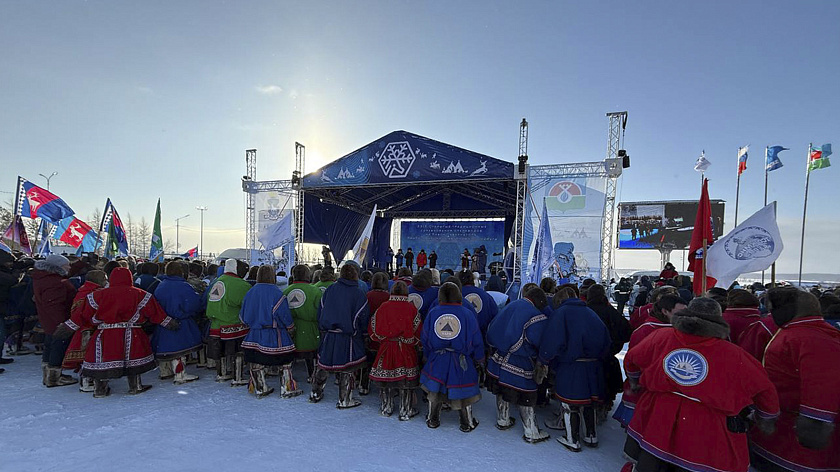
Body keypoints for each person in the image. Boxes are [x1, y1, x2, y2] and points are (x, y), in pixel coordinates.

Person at [623, 297, 780, 472]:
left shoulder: (661, 336)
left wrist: (635, 381)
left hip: (657, 415)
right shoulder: (734, 354)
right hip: (706, 427)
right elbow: (765, 389)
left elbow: (632, 359)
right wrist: (765, 417)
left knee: (651, 463)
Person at [749, 287, 840, 472]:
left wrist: (814, 426)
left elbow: (822, 386)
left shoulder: (811, 339)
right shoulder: (798, 332)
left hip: (794, 444)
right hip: (777, 429)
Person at [53, 267, 179, 397]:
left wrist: (67, 328)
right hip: (132, 332)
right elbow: (155, 313)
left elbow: (81, 315)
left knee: (102, 360)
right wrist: (170, 323)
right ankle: (135, 386)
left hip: (105, 333)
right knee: (132, 360)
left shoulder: (97, 295)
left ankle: (99, 390)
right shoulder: (141, 294)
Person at [538, 289, 612, 452]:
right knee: (589, 403)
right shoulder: (590, 313)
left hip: (571, 365)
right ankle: (591, 436)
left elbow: (552, 340)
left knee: (569, 404)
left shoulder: (561, 313)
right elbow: (606, 339)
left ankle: (572, 439)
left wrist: (544, 359)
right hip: (593, 365)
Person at [486, 286, 550, 443]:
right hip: (520, 361)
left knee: (501, 389)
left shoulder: (512, 305)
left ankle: (503, 419)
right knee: (526, 396)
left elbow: (493, 328)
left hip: (499, 357)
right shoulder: (536, 316)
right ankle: (531, 431)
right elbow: (537, 340)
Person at [420, 282, 484, 432]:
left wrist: (428, 356)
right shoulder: (467, 313)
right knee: (464, 390)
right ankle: (466, 422)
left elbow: (425, 337)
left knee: (435, 389)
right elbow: (476, 339)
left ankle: (433, 418)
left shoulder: (433, 312)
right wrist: (480, 358)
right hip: (461, 359)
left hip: (438, 357)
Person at [310, 263, 369, 408]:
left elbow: (321, 310)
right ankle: (345, 399)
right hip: (348, 337)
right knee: (347, 368)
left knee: (323, 364)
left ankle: (315, 392)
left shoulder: (331, 289)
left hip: (329, 334)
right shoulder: (359, 293)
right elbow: (362, 316)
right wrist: (360, 332)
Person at [239, 266, 298, 398]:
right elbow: (283, 315)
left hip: (254, 335)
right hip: (274, 334)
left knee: (256, 362)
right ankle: (286, 387)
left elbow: (243, 316)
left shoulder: (250, 292)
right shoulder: (277, 293)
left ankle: (260, 387)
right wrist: (290, 327)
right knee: (285, 362)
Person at [369, 281, 421, 420]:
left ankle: (387, 407)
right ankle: (406, 409)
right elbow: (418, 330)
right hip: (405, 349)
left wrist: (384, 338)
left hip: (386, 347)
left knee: (386, 380)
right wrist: (411, 340)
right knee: (405, 381)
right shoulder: (411, 309)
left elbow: (373, 328)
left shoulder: (383, 307)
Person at [151, 261, 203, 385]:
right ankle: (180, 374)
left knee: (166, 349)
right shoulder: (183, 286)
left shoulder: (161, 285)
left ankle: (165, 371)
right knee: (180, 351)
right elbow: (194, 304)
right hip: (181, 323)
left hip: (164, 323)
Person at [585, 284, 631, 422]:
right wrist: (614, 344)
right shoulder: (611, 311)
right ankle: (604, 405)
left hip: (587, 356)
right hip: (607, 356)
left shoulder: (587, 310)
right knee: (607, 380)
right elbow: (627, 331)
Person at [31, 254, 78, 387]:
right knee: (58, 346)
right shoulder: (55, 282)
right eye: (67, 265)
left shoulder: (44, 277)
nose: (69, 267)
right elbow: (54, 305)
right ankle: (54, 377)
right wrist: (62, 323)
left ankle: (48, 374)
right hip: (57, 320)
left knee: (50, 345)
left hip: (47, 319)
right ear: (58, 267)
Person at [206, 259, 251, 385]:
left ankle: (221, 373)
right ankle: (237, 376)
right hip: (233, 323)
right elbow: (246, 304)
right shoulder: (241, 285)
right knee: (238, 352)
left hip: (215, 323)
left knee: (220, 352)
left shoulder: (217, 281)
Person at [61, 269, 107, 392]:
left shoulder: (82, 291)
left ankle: (86, 379)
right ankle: (88, 381)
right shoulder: (94, 293)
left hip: (82, 328)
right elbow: (88, 313)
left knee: (86, 356)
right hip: (89, 328)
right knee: (90, 355)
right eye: (104, 279)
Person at [283, 264, 322, 382]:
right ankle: (312, 374)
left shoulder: (285, 291)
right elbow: (320, 312)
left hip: (291, 332)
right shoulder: (315, 291)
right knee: (311, 355)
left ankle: (288, 376)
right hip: (310, 332)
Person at [458, 270, 498, 337]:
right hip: (482, 337)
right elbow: (495, 316)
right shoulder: (485, 295)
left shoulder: (456, 295)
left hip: (462, 337)